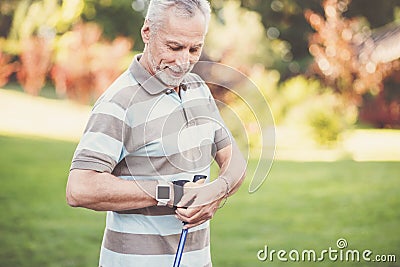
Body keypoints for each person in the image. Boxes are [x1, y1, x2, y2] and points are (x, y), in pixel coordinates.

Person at [66, 0, 246, 266]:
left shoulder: (197, 88)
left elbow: (235, 160)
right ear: (147, 32)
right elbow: (80, 188)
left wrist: (217, 191)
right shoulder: (119, 101)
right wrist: (172, 193)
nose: (184, 61)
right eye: (174, 47)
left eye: (194, 48)